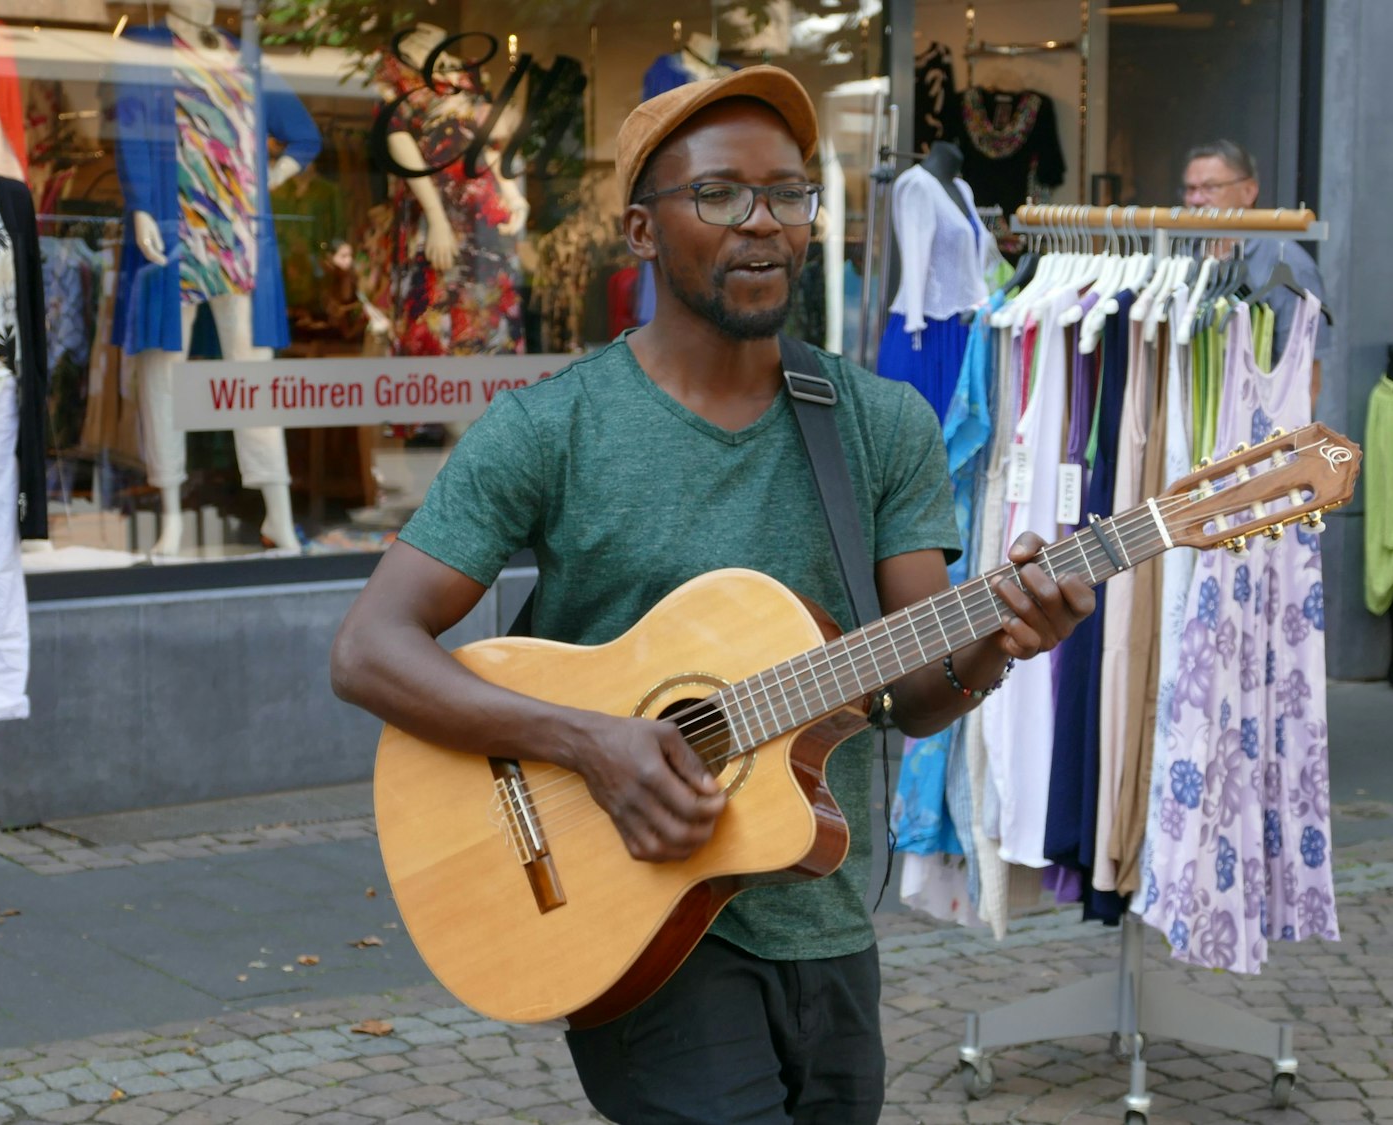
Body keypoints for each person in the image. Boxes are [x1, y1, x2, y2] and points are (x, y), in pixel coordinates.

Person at [329, 67, 1096, 1123]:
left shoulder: (881, 426)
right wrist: (590, 744)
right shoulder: (551, 429)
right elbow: (369, 648)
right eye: (721, 195)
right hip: (638, 918)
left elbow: (911, 696)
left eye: (787, 194)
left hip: (825, 919)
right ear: (641, 232)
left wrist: (1000, 642)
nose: (763, 223)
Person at [1182, 138, 1329, 360]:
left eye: (1210, 187)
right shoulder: (1180, 256)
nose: (1196, 199)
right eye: (1190, 189)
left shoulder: (1288, 263)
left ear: (1249, 191)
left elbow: (1306, 371)